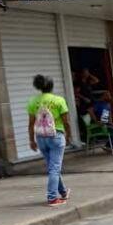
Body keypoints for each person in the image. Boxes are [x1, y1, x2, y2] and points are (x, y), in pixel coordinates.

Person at [27, 75, 72, 207]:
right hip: (56, 136)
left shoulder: (32, 101)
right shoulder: (59, 100)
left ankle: (63, 191)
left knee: (53, 167)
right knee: (54, 168)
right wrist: (68, 135)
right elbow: (66, 121)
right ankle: (52, 198)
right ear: (51, 87)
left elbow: (30, 124)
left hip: (41, 138)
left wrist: (31, 140)